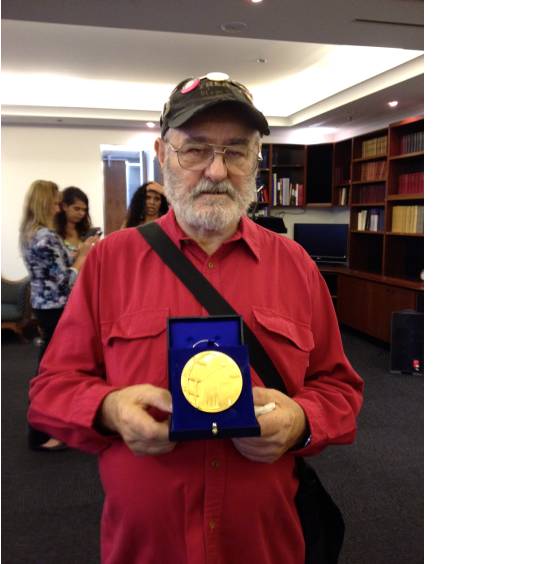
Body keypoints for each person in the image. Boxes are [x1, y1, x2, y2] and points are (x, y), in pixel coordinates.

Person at [28, 73, 363, 563]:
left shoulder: (296, 266)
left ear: (256, 162)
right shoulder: (109, 262)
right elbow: (51, 389)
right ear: (163, 155)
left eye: (236, 152)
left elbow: (340, 388)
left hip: (264, 545)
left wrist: (301, 419)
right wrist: (109, 409)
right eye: (196, 150)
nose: (217, 171)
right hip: (145, 548)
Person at [19, 179, 99, 451]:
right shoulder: (47, 237)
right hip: (56, 306)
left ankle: (45, 429)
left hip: (43, 304)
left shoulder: (30, 232)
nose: (58, 208)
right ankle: (43, 432)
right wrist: (84, 256)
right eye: (55, 203)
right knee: (52, 371)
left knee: (46, 367)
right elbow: (66, 280)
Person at [55, 186, 96, 258]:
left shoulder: (87, 233)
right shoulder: (54, 235)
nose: (82, 213)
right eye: (77, 209)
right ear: (65, 206)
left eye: (84, 210)